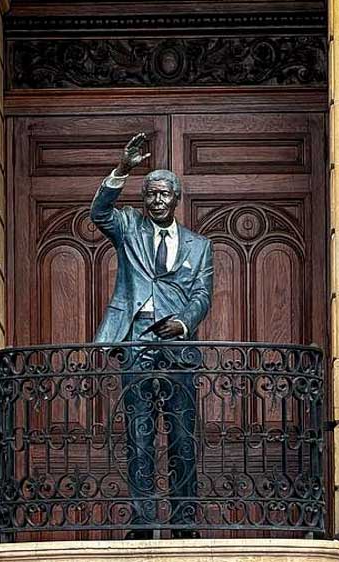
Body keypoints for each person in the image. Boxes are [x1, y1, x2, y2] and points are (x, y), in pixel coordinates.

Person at [90, 132, 213, 538]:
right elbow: (99, 212)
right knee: (139, 436)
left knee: (182, 437)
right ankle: (143, 521)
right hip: (136, 340)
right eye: (151, 194)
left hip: (178, 346)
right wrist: (122, 169)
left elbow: (202, 294)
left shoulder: (199, 245)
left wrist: (184, 323)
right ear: (144, 199)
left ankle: (184, 522)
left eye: (164, 194)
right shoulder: (128, 227)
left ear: (177, 199)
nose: (157, 200)